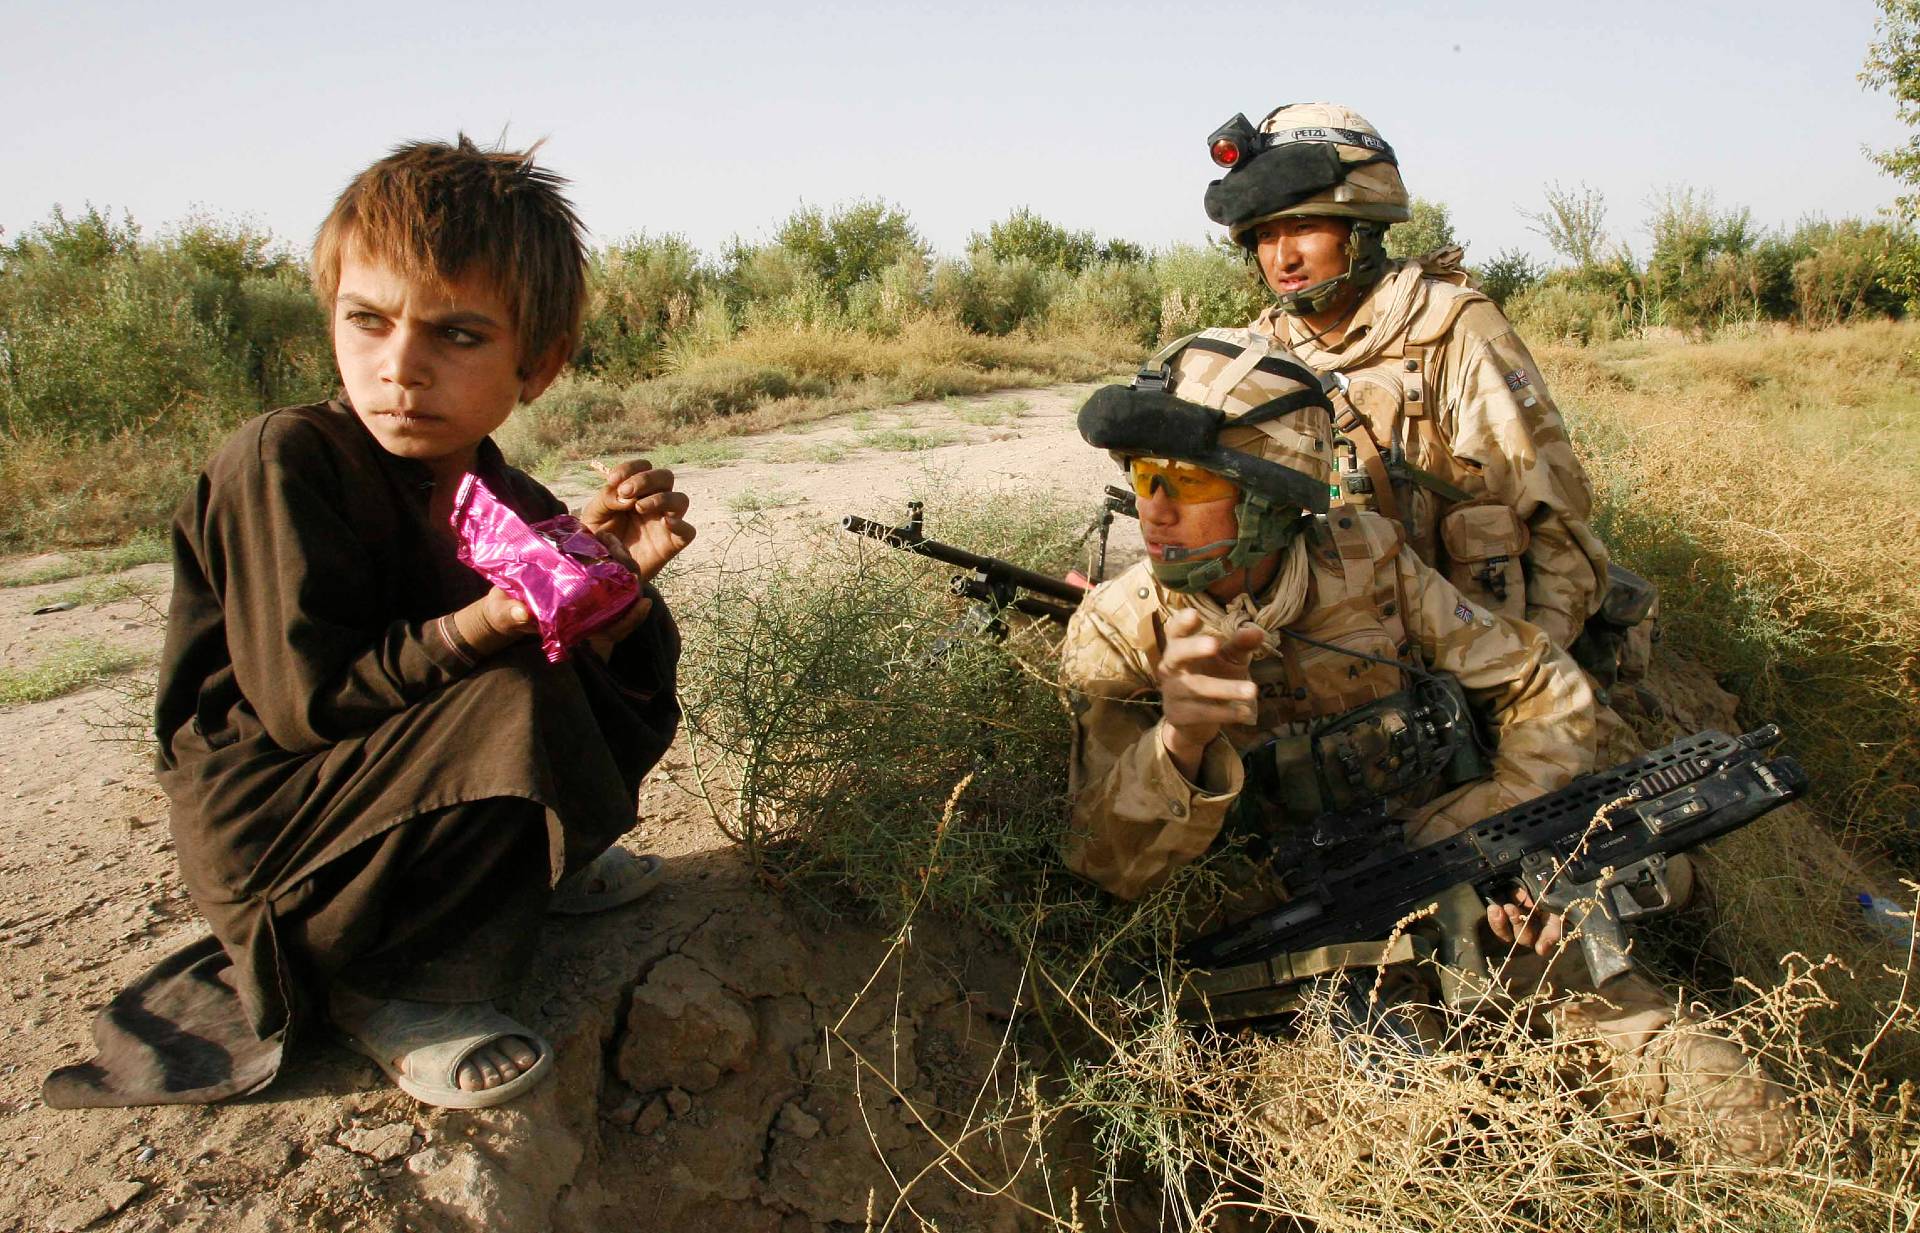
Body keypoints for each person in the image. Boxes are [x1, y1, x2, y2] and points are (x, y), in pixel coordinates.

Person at [44, 137, 691, 1112]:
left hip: (386, 793)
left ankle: (528, 872)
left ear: (540, 364)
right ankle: (395, 987)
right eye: (368, 321)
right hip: (281, 835)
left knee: (600, 649)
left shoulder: (504, 493)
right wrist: (490, 621)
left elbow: (602, 679)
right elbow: (306, 704)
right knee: (511, 684)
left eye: (457, 335)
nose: (400, 368)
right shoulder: (284, 459)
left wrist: (606, 590)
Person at [1061, 328, 1794, 1165]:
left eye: (1187, 482)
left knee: (1731, 1103)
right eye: (1142, 478)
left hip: (1466, 901)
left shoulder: (1366, 559)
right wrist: (1179, 740)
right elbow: (1104, 863)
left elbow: (1540, 683)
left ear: (1268, 495)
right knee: (1413, 1156)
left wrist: (1499, 850)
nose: (1153, 510)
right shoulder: (1116, 635)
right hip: (1301, 967)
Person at [1202, 102, 1612, 656]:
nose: (1284, 257)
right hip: (1329, 651)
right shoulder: (1258, 354)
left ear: (1362, 230)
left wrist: (1533, 665)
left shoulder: (1451, 328)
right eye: (1266, 235)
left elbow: (1553, 516)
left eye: (1303, 227)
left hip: (1466, 647)